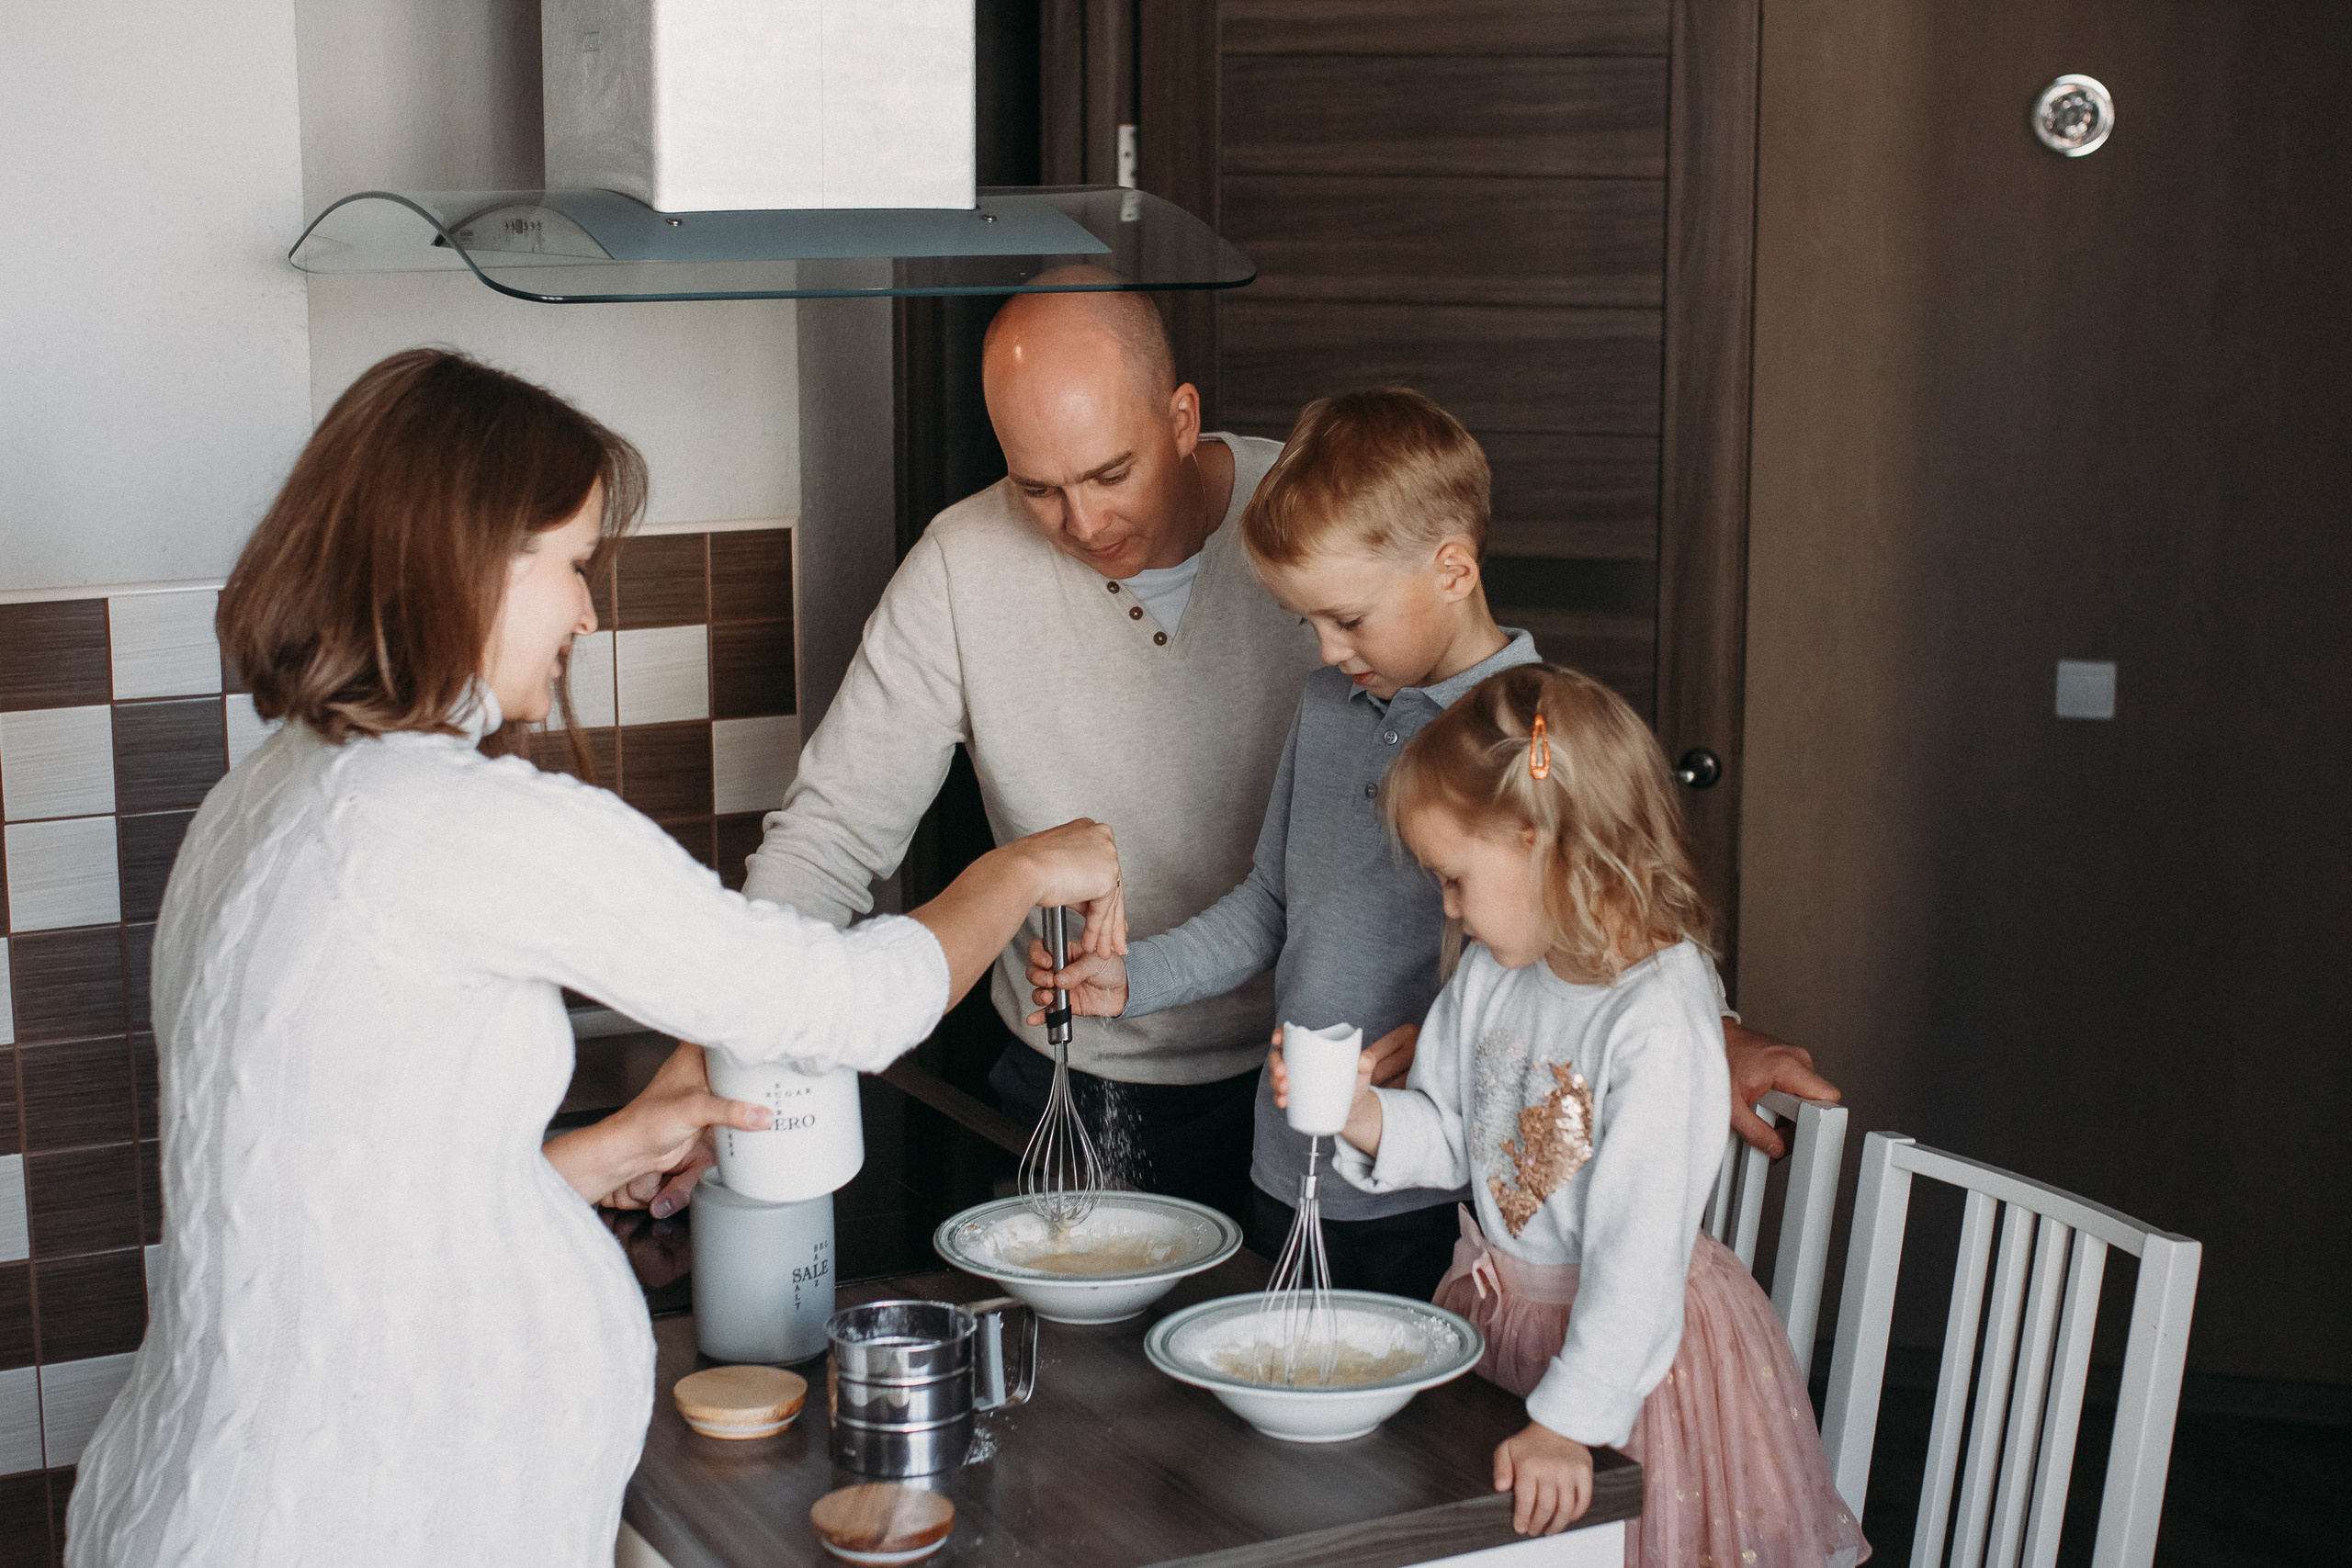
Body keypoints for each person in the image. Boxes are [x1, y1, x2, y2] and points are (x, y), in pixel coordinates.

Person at [65, 349, 1125, 1568]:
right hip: (361, 1514)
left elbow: (327, 1207)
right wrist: (1021, 870)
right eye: (571, 563)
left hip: (202, 1494)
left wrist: (581, 1163)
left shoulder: (258, 799)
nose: (587, 611)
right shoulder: (446, 817)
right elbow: (842, 1004)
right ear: (465, 560)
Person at [1025, 389, 1753, 1300]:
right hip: (1287, 1166)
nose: (1328, 651)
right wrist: (1137, 977)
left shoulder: (1532, 740)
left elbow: (1612, 931)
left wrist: (1710, 1029)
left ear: (1453, 569)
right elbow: (1270, 908)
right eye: (1308, 622)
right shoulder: (1326, 710)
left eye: (1350, 619)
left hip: (1430, 1185)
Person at [743, 283, 1319, 1218]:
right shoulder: (961, 565)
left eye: (1109, 474)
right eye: (1038, 489)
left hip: (1311, 1070)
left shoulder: (1314, 517)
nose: (1084, 525)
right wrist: (742, 1018)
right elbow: (828, 840)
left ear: (1182, 419)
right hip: (1074, 1081)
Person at [1273, 663, 1867, 1565]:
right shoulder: (1491, 973)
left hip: (1631, 1360)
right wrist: (1360, 1115)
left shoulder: (1655, 1018)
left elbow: (1636, 1256)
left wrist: (1567, 1424)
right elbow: (1455, 1135)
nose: (1448, 907)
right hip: (1511, 1327)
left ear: (1540, 843)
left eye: (1455, 879)